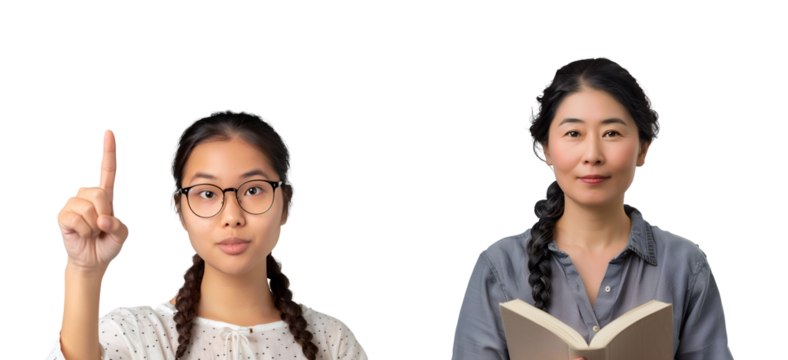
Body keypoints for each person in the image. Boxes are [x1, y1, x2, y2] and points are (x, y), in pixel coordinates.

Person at [450, 55, 733, 359]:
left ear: (643, 150)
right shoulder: (499, 266)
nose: (593, 154)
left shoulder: (685, 265)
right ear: (546, 150)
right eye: (574, 133)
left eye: (612, 133)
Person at [50, 109, 368, 360]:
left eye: (254, 189)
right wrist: (83, 271)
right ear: (180, 213)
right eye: (207, 194)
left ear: (286, 206)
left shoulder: (332, 340)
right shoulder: (134, 334)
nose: (232, 216)